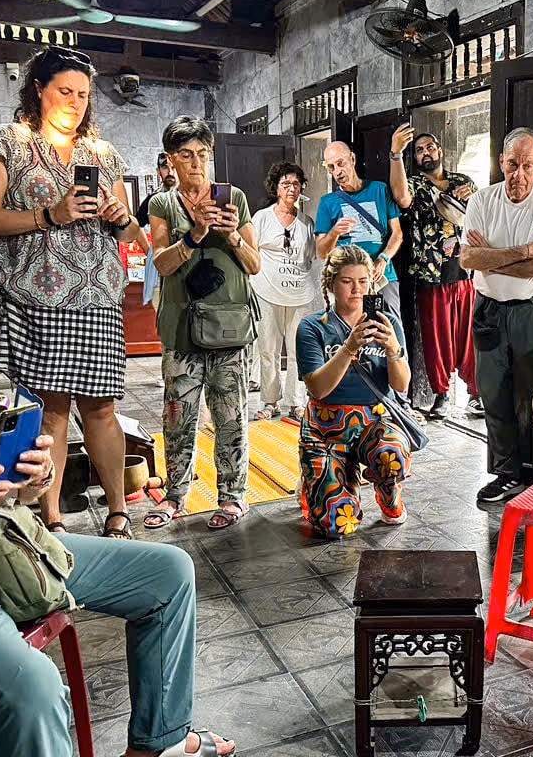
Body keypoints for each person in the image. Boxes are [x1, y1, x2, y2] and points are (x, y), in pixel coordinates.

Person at [0, 363, 234, 757]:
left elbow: (15, 488)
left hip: (10, 543)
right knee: (32, 688)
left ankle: (159, 744)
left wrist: (37, 474)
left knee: (168, 574)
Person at [0, 46, 142, 539]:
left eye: (83, 94)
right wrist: (49, 215)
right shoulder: (5, 142)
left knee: (102, 409)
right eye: (65, 91)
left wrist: (120, 217)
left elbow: (132, 234)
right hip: (35, 299)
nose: (76, 102)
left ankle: (118, 511)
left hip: (98, 297)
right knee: (51, 411)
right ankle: (53, 518)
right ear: (38, 89)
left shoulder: (102, 154)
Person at [144, 116, 260, 531]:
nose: (196, 164)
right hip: (181, 327)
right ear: (171, 160)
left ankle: (233, 496)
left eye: (203, 154)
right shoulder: (162, 204)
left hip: (230, 326)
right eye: (187, 155)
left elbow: (254, 265)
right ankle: (175, 496)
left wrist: (232, 236)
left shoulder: (235, 198)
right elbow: (161, 264)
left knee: (231, 416)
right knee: (178, 417)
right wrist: (195, 233)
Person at [460, 127, 533, 503]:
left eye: (526, 165)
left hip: (531, 312)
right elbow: (468, 258)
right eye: (511, 164)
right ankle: (506, 473)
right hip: (488, 310)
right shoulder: (482, 200)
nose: (518, 174)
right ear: (501, 162)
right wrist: (525, 251)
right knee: (494, 393)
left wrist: (492, 258)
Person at [296, 245, 412, 538]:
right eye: (347, 281)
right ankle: (318, 482)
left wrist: (393, 350)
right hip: (325, 428)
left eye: (363, 281)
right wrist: (349, 348)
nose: (357, 289)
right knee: (338, 525)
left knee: (392, 454)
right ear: (331, 283)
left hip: (373, 421)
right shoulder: (312, 327)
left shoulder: (387, 323)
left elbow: (401, 385)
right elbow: (318, 388)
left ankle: (388, 491)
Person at [389, 124, 482, 420]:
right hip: (431, 274)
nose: (426, 153)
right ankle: (441, 394)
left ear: (440, 150)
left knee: (469, 337)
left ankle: (475, 394)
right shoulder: (416, 185)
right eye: (419, 150)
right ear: (415, 158)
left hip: (465, 272)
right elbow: (401, 197)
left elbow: (480, 215)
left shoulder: (462, 181)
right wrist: (396, 154)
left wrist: (473, 196)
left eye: (430, 147)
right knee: (437, 341)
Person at [250, 161, 318, 421]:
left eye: (296, 184)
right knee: (268, 349)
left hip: (300, 294)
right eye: (286, 183)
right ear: (276, 188)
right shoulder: (261, 218)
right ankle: (270, 401)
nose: (291, 189)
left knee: (298, 349)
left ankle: (296, 402)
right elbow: (251, 253)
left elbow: (310, 258)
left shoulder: (307, 222)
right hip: (267, 291)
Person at [315, 141, 404, 321]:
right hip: (349, 282)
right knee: (354, 331)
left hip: (382, 277)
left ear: (353, 159)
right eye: (331, 167)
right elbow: (322, 252)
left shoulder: (379, 190)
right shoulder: (327, 202)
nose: (337, 171)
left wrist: (383, 259)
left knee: (390, 328)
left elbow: (397, 234)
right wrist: (334, 232)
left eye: (340, 163)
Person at [135, 151, 178, 309]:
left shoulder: (190, 197)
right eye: (165, 167)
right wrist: (149, 251)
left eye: (174, 167)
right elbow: (136, 226)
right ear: (158, 171)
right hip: (161, 262)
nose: (170, 172)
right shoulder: (152, 200)